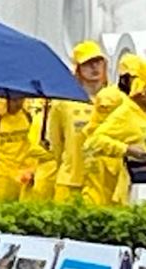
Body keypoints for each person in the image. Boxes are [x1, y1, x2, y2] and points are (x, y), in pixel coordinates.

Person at [83, 61, 146, 204]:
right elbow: (93, 142)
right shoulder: (126, 113)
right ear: (142, 88)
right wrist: (127, 149)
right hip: (133, 189)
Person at [33, 41, 107, 202]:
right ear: (78, 69)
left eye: (98, 61)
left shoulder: (113, 100)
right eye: (87, 63)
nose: (94, 67)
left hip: (103, 182)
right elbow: (56, 144)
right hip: (70, 181)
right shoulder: (63, 102)